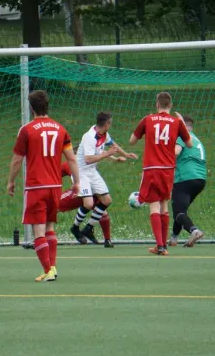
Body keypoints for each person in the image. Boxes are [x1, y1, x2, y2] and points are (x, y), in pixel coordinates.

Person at [7, 90, 80, 282]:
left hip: (36, 187)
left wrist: (11, 181)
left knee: (38, 230)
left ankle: (48, 270)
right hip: (55, 186)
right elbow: (71, 158)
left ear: (31, 108)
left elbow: (16, 160)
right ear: (48, 106)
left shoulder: (27, 130)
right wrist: (77, 182)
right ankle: (53, 267)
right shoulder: (60, 129)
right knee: (49, 227)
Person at [129, 92, 192, 256]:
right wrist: (183, 124)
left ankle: (160, 245)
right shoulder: (177, 122)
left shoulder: (148, 119)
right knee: (164, 205)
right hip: (168, 169)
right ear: (170, 105)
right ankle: (163, 245)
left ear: (157, 105)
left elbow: (132, 141)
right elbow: (189, 144)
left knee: (154, 205)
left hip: (151, 168)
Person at [70, 112, 137, 245]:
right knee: (88, 204)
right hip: (81, 172)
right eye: (110, 123)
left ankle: (89, 228)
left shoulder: (103, 134)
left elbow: (113, 144)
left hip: (92, 172)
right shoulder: (90, 137)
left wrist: (125, 154)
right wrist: (107, 154)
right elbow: (88, 159)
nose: (110, 125)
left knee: (107, 200)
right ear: (106, 124)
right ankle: (75, 228)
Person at [170, 114, 206, 248]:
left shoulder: (182, 137)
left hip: (185, 178)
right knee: (180, 210)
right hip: (200, 179)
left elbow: (175, 152)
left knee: (178, 211)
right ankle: (174, 238)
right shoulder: (197, 140)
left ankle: (194, 231)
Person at [59, 160, 115, 248]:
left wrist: (114, 157)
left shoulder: (90, 164)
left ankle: (107, 240)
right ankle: (40, 239)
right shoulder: (70, 164)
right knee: (52, 207)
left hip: (90, 194)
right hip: (77, 194)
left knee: (102, 210)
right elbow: (54, 176)